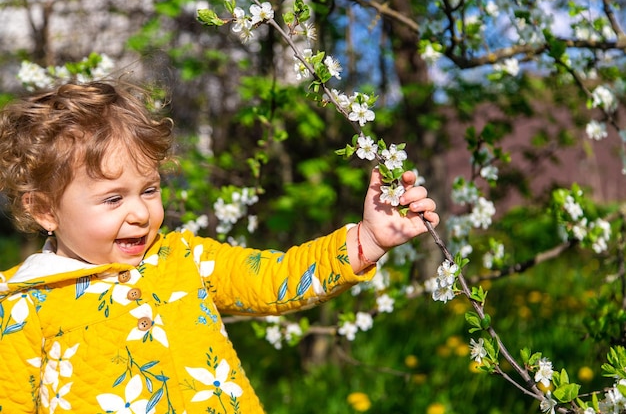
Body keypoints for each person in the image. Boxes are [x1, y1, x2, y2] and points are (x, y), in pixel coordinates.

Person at [0, 80, 439, 413]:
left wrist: (368, 238)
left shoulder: (184, 258)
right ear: (44, 210)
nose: (139, 213)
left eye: (149, 190)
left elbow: (276, 279)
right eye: (113, 199)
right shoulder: (21, 305)